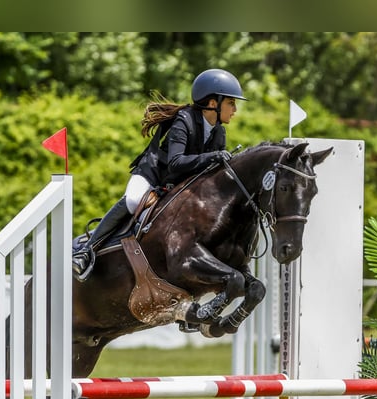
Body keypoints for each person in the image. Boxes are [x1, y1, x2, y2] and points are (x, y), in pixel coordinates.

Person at [72, 68, 246, 281]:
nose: (235, 109)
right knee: (134, 200)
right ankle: (85, 251)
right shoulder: (184, 122)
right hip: (152, 175)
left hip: (177, 185)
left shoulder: (218, 131)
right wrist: (212, 157)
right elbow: (175, 162)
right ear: (212, 103)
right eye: (231, 103)